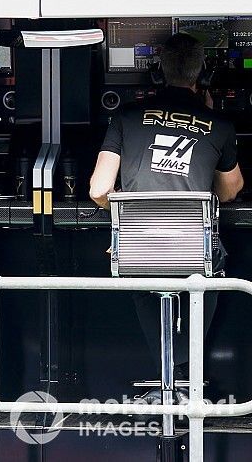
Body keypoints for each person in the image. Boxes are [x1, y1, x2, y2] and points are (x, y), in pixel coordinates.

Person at [89, 32, 244, 403]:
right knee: (210, 275)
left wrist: (131, 215)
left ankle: (166, 379)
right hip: (195, 256)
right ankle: (189, 379)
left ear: (157, 73)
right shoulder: (218, 126)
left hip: (139, 252)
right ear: (201, 75)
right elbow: (231, 190)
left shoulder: (125, 118)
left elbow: (98, 189)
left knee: (145, 275)